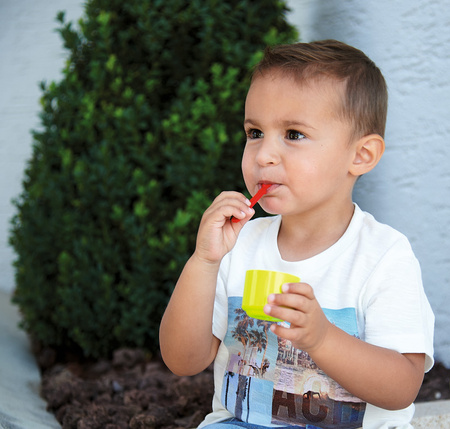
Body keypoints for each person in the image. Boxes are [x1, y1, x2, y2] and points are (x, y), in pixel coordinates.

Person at [159, 40, 434, 428]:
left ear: (361, 156)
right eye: (255, 132)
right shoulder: (241, 246)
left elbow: (402, 387)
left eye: (293, 134)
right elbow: (181, 360)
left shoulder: (384, 255)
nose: (263, 154)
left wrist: (323, 340)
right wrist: (204, 261)